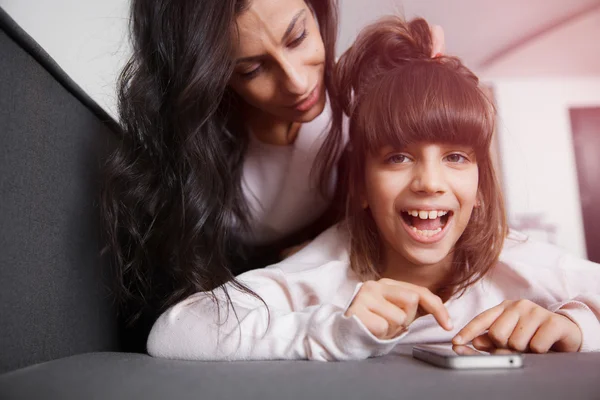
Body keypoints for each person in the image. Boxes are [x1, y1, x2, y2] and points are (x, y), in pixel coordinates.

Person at [145, 16, 600, 361]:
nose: (429, 183)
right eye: (398, 158)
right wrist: (330, 332)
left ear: (480, 186)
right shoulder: (329, 266)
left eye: (456, 158)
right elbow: (174, 334)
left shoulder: (514, 259)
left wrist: (576, 327)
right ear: (361, 185)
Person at [100, 0, 445, 345]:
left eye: (297, 37)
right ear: (211, 75)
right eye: (251, 70)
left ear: (317, 11)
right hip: (243, 320)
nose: (296, 82)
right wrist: (281, 264)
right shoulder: (186, 157)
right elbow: (174, 322)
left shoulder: (355, 101)